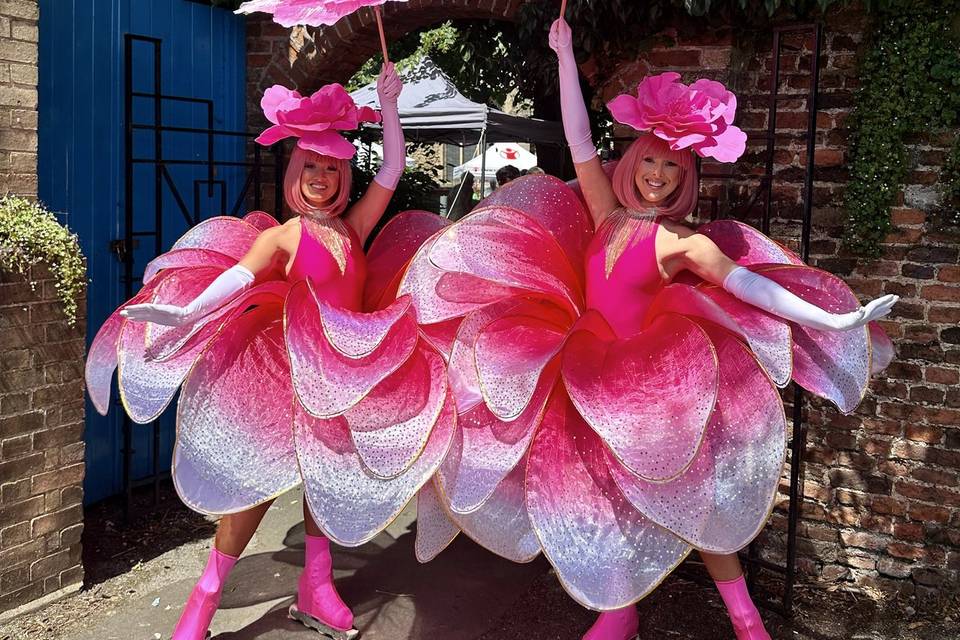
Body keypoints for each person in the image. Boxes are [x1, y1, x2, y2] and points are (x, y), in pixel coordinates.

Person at [399, 18, 897, 640]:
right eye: (650, 160)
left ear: (685, 175)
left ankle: (745, 621)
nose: (657, 174)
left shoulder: (681, 241)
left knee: (701, 504)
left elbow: (749, 286)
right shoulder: (606, 213)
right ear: (634, 160)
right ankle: (619, 612)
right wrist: (563, 56)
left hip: (649, 387)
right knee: (604, 496)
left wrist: (832, 318)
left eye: (671, 165)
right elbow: (580, 140)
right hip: (582, 373)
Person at [85, 64, 450, 640]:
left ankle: (317, 584)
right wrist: (186, 313)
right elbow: (239, 278)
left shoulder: (352, 229)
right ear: (295, 170)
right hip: (287, 376)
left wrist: (389, 105)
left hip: (344, 377)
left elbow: (394, 170)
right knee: (255, 490)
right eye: (313, 168)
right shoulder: (283, 237)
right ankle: (204, 597)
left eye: (333, 169)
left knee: (325, 480)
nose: (323, 179)